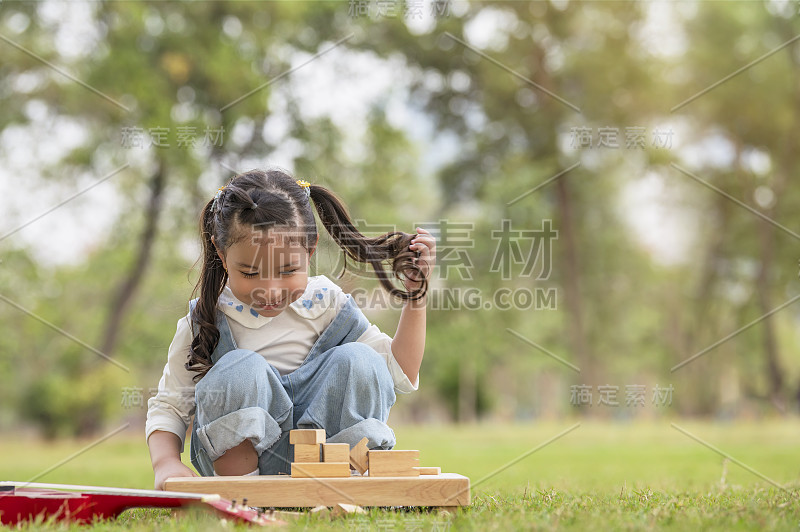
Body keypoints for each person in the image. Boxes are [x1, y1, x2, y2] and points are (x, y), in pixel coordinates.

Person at [145, 168, 435, 490]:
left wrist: (416, 294)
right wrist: (166, 462)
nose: (269, 291)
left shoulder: (326, 304)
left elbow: (399, 371)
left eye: (288, 271)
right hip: (238, 469)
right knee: (241, 368)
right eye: (250, 273)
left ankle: (348, 481)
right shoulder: (206, 319)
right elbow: (170, 404)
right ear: (223, 256)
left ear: (310, 250)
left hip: (325, 465)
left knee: (360, 360)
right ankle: (245, 492)